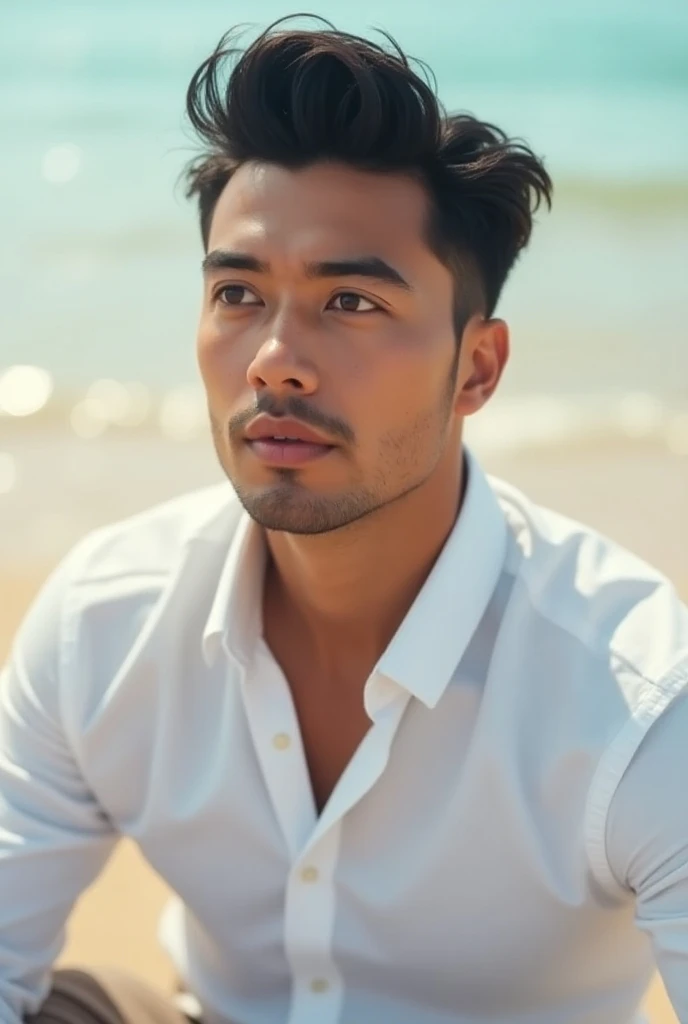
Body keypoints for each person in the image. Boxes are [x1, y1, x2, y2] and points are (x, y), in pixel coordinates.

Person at [1, 16, 686, 1024]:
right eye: (237, 292)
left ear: (478, 367)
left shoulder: (635, 708)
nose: (275, 357)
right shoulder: (105, 625)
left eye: (351, 302)